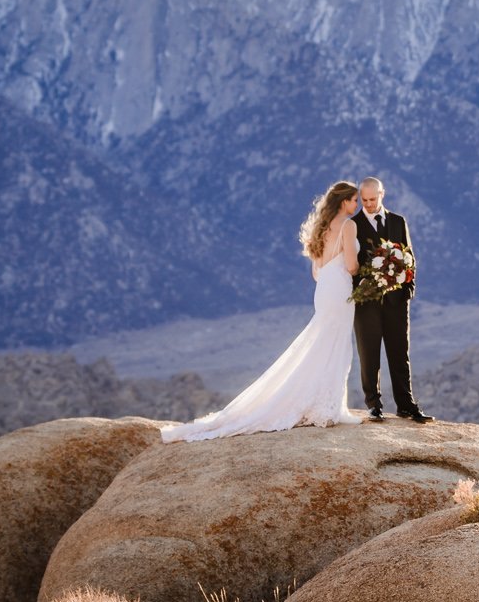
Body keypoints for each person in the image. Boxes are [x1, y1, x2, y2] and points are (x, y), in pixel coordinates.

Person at [159, 181, 365, 442]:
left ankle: (328, 404)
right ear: (342, 201)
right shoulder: (348, 226)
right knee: (337, 346)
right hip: (340, 289)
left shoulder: (321, 227)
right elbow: (351, 265)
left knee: (325, 344)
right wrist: (365, 268)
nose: (356, 205)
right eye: (354, 200)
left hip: (324, 289)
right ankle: (331, 407)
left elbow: (316, 272)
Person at [353, 176, 432, 423]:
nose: (367, 204)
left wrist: (408, 291)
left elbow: (409, 257)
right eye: (364, 200)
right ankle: (374, 405)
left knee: (400, 353)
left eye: (372, 199)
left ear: (382, 194)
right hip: (367, 304)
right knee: (370, 354)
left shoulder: (398, 221)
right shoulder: (352, 225)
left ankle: (406, 405)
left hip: (397, 302)